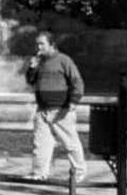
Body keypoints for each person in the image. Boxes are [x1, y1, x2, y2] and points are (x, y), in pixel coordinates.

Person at [25, 32, 87, 183]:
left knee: (70, 143)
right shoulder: (39, 62)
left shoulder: (64, 60)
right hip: (42, 109)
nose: (38, 47)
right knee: (40, 144)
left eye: (42, 44)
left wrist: (72, 103)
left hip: (60, 110)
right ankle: (39, 172)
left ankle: (79, 172)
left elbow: (77, 82)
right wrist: (32, 68)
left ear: (52, 45)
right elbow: (31, 82)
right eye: (37, 44)